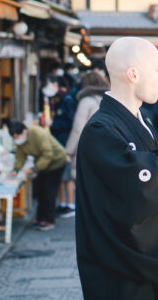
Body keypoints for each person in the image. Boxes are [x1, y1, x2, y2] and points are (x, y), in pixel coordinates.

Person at [74, 36, 158, 299]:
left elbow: (148, 183)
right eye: (157, 69)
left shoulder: (139, 120)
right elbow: (134, 189)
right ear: (133, 74)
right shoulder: (100, 129)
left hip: (141, 262)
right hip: (119, 269)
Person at [64, 68, 110, 212]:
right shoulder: (109, 99)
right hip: (107, 147)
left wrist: (68, 150)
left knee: (84, 183)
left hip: (88, 147)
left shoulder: (86, 101)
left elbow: (78, 128)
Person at [9, 119, 67, 231]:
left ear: (24, 132)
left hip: (56, 162)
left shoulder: (38, 133)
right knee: (39, 191)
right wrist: (15, 169)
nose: (17, 140)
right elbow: (20, 156)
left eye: (17, 136)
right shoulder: (20, 142)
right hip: (42, 164)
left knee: (49, 191)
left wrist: (35, 169)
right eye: (14, 138)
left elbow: (48, 154)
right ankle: (40, 219)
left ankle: (49, 221)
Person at [50, 75, 78, 217]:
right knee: (61, 176)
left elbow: (70, 122)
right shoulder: (57, 100)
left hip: (64, 142)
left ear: (56, 84)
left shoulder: (67, 100)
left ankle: (70, 205)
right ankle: (62, 204)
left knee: (66, 176)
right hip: (59, 141)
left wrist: (52, 124)